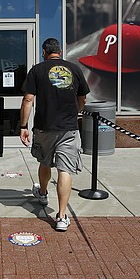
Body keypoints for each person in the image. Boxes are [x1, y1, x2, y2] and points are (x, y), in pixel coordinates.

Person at [19, 38, 90, 231]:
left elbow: (28, 100)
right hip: (68, 127)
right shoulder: (74, 69)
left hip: (44, 127)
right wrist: (77, 112)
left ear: (44, 52)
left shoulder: (37, 70)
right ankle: (61, 216)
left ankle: (42, 193)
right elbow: (82, 97)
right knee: (64, 169)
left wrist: (23, 126)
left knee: (44, 161)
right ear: (59, 51)